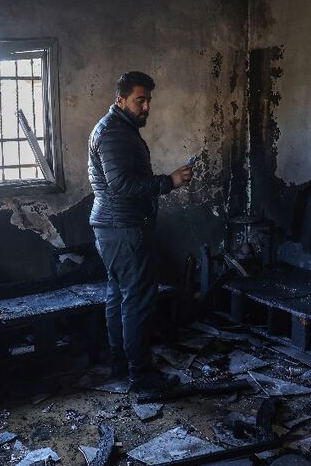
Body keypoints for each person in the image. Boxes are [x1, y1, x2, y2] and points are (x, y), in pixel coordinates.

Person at [88, 71, 194, 392]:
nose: (146, 106)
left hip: (114, 227)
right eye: (140, 100)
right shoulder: (115, 133)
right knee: (137, 301)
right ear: (120, 99)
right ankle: (141, 376)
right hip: (124, 228)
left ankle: (123, 367)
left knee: (119, 296)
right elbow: (121, 184)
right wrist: (169, 181)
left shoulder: (117, 128)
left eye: (149, 100)